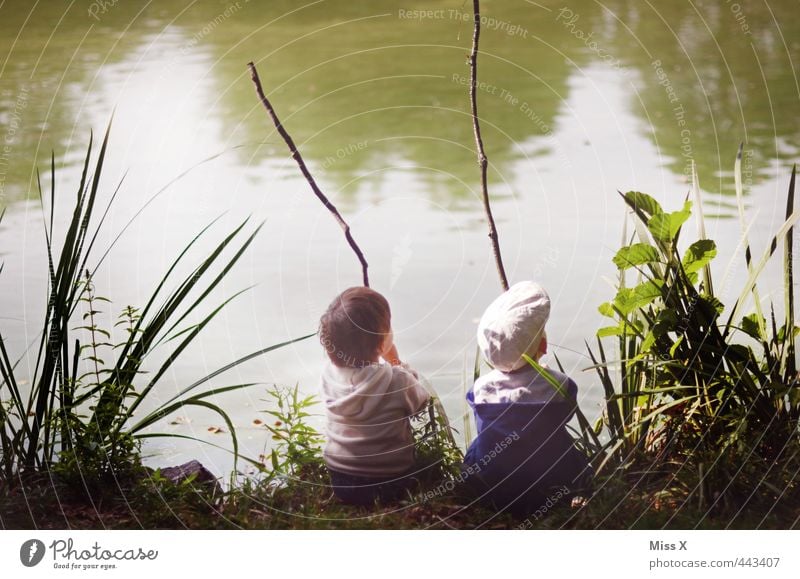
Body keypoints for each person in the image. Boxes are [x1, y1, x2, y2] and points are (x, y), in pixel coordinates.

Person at [464, 281, 592, 516]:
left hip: (493, 484)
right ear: (542, 345)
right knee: (572, 452)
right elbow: (566, 413)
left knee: (478, 446)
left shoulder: (480, 388)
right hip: (549, 482)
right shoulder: (559, 384)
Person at [318, 286, 430, 506]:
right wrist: (396, 363)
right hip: (391, 481)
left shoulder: (328, 375)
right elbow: (421, 401)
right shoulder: (397, 380)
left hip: (340, 478)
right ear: (382, 344)